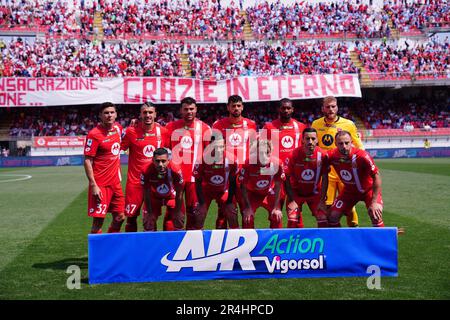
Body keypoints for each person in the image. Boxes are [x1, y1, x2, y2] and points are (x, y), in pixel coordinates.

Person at [311, 96, 363, 227]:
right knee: (327, 206)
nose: (330, 109)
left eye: (333, 106)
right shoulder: (316, 124)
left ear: (337, 107)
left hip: (345, 171)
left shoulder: (348, 124)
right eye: (327, 107)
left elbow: (359, 146)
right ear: (323, 108)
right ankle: (334, 235)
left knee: (349, 207)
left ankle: (354, 232)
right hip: (327, 172)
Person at [120, 102, 169, 232]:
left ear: (155, 114)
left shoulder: (163, 132)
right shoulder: (131, 131)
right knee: (131, 217)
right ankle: (132, 247)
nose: (148, 115)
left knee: (151, 217)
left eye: (150, 112)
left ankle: (152, 248)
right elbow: (119, 148)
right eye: (145, 112)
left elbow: (170, 153)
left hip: (154, 182)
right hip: (135, 182)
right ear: (140, 114)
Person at [320, 131, 384, 228]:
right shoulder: (331, 155)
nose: (344, 146)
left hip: (368, 191)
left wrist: (374, 202)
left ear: (351, 142)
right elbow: (318, 159)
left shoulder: (362, 156)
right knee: (332, 216)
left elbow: (377, 176)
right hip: (349, 192)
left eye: (346, 143)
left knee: (375, 215)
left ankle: (382, 241)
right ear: (335, 144)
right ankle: (340, 241)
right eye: (340, 143)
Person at [166, 97, 212, 230]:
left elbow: (208, 154)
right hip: (174, 179)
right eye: (186, 109)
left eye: (191, 109)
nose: (189, 112)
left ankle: (191, 245)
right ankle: (172, 244)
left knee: (194, 214)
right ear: (181, 110)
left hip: (195, 179)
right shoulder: (170, 127)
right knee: (172, 212)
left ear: (196, 109)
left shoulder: (204, 128)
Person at [212, 95, 257, 228]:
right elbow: (214, 149)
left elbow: (254, 148)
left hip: (244, 174)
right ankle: (222, 244)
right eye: (233, 106)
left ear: (242, 107)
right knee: (223, 211)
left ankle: (248, 244)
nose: (236, 108)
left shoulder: (251, 124)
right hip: (225, 173)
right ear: (228, 107)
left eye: (238, 105)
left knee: (246, 210)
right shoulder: (218, 125)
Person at [83, 102, 125, 234]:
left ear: (116, 114)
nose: (109, 115)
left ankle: (111, 247)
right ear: (100, 115)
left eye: (112, 112)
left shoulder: (118, 128)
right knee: (98, 222)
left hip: (115, 183)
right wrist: (93, 184)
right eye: (106, 113)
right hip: (100, 184)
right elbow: (88, 161)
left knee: (120, 217)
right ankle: (97, 254)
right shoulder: (94, 134)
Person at [263, 98, 307, 210]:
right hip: (275, 174)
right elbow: (261, 149)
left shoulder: (301, 127)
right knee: (275, 212)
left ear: (292, 109)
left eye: (288, 108)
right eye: (283, 108)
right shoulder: (269, 126)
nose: (286, 110)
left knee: (295, 214)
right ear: (278, 109)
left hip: (294, 175)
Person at [284, 128, 329, 228]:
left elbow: (325, 178)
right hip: (296, 193)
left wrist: (322, 201)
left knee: (323, 219)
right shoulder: (293, 155)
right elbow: (285, 178)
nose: (310, 142)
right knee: (292, 219)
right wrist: (292, 200)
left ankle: (324, 242)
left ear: (317, 140)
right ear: (302, 140)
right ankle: (294, 242)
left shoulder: (323, 155)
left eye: (313, 139)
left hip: (315, 193)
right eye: (307, 139)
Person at [236, 139, 285, 229]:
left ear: (271, 152)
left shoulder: (277, 163)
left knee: (277, 217)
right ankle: (249, 242)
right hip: (252, 193)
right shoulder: (248, 164)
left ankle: (275, 241)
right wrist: (247, 207)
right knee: (248, 218)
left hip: (269, 192)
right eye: (260, 153)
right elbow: (243, 186)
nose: (264, 156)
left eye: (267, 152)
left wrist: (276, 206)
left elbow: (278, 185)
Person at [194, 136, 239, 230]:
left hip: (224, 190)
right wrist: (202, 203)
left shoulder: (232, 160)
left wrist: (230, 201)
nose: (218, 150)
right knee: (199, 214)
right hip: (206, 191)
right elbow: (197, 182)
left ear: (225, 146)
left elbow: (233, 181)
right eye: (215, 147)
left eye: (221, 147)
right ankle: (198, 240)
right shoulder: (202, 159)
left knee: (232, 212)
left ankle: (234, 239)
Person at [141, 148, 185, 231]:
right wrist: (149, 213)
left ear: (168, 160)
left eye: (163, 161)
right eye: (157, 161)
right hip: (154, 197)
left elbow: (180, 192)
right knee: (148, 224)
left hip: (172, 197)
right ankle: (152, 242)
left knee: (178, 222)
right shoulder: (145, 170)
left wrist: (178, 211)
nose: (160, 164)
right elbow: (146, 192)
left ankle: (174, 242)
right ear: (153, 160)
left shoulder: (176, 170)